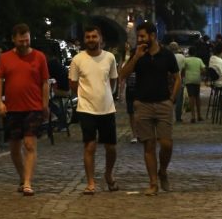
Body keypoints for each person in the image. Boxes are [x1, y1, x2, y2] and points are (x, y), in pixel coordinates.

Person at [118, 23, 180, 195]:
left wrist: (172, 99)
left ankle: (163, 171)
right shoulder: (138, 55)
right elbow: (123, 75)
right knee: (149, 145)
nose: (140, 40)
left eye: (143, 36)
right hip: (143, 104)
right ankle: (153, 183)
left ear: (153, 36)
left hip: (163, 103)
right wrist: (136, 57)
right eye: (138, 37)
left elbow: (177, 78)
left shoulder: (166, 55)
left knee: (166, 144)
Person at [0, 24, 49, 196]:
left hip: (33, 107)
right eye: (21, 40)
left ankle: (27, 182)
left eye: (27, 39)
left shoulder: (39, 57)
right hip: (13, 108)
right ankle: (22, 176)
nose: (24, 43)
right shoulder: (5, 58)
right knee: (14, 148)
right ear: (14, 39)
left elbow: (45, 82)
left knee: (29, 144)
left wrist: (45, 104)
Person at [69, 25, 120, 194]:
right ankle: (91, 182)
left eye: (94, 36)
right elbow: (73, 84)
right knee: (89, 146)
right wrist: (85, 97)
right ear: (85, 40)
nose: (91, 40)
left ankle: (108, 174)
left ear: (100, 38)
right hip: (86, 109)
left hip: (107, 108)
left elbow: (113, 81)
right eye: (88, 37)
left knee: (111, 147)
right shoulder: (78, 59)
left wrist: (107, 95)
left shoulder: (110, 58)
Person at [182, 51, 205, 123]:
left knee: (191, 97)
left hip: (189, 80)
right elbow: (204, 69)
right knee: (197, 97)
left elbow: (182, 69)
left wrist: (183, 75)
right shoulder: (199, 60)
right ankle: (199, 116)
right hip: (197, 79)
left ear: (189, 53)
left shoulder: (186, 60)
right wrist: (199, 73)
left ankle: (193, 116)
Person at [168, 42, 187, 122]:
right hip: (178, 79)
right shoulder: (182, 57)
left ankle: (167, 116)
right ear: (177, 48)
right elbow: (184, 70)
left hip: (168, 80)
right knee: (179, 99)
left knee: (168, 99)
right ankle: (178, 117)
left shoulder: (167, 56)